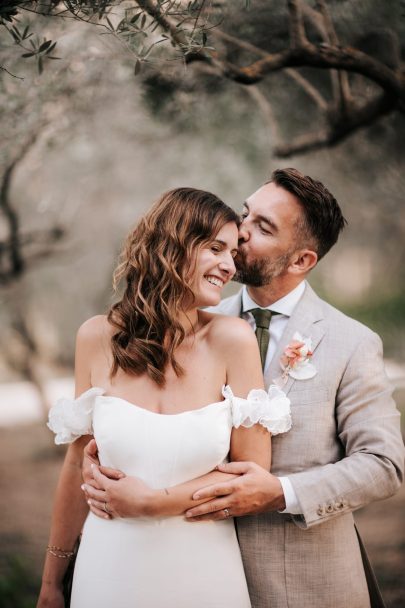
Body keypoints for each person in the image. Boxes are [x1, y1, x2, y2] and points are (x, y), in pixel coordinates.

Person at [83, 169, 404, 608]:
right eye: (246, 214)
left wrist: (281, 493)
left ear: (301, 261)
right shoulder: (190, 320)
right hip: (192, 573)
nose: (240, 230)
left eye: (263, 227)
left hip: (303, 584)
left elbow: (384, 465)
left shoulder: (352, 343)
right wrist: (102, 461)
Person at [37, 187, 292, 608]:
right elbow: (75, 466)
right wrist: (51, 583)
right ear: (171, 246)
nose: (229, 265)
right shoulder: (96, 337)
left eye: (233, 252)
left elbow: (251, 474)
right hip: (107, 571)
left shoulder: (232, 339)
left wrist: (151, 504)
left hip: (205, 575)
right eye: (215, 248)